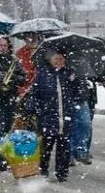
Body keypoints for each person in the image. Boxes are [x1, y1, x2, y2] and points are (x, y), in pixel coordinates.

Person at [27, 50, 81, 182]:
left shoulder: (69, 74)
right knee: (46, 146)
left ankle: (62, 172)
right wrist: (38, 110)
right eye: (56, 59)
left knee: (64, 147)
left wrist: (74, 81)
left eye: (61, 59)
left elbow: (77, 94)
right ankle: (43, 169)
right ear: (50, 60)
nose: (58, 62)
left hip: (66, 117)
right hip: (48, 117)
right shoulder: (43, 74)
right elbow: (35, 94)